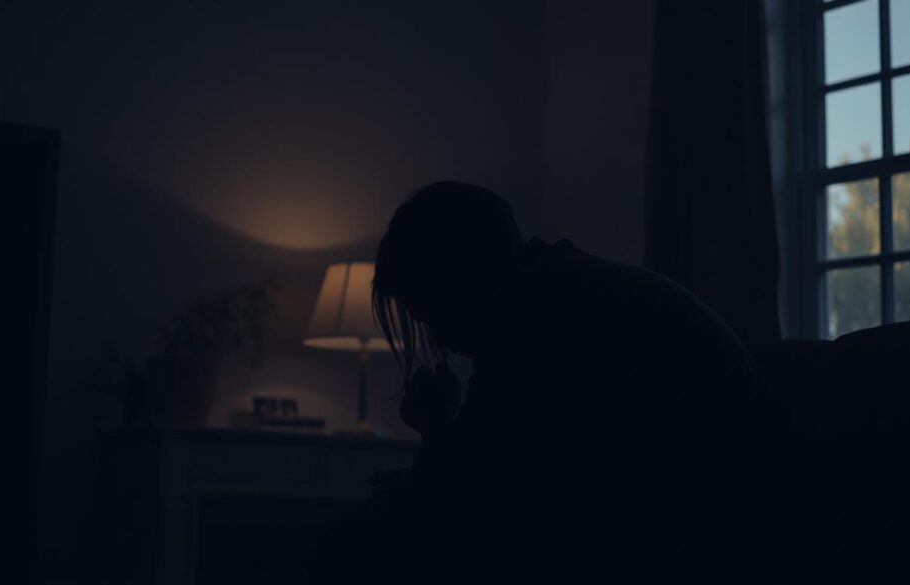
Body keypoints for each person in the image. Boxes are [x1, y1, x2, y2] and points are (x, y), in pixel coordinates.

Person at [316, 181, 794, 582]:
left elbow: (476, 490)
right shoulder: (563, 287)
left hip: (705, 533)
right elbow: (499, 470)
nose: (442, 338)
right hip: (723, 514)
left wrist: (436, 426)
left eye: (436, 307)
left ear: (462, 272)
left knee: (363, 541)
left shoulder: (533, 319)